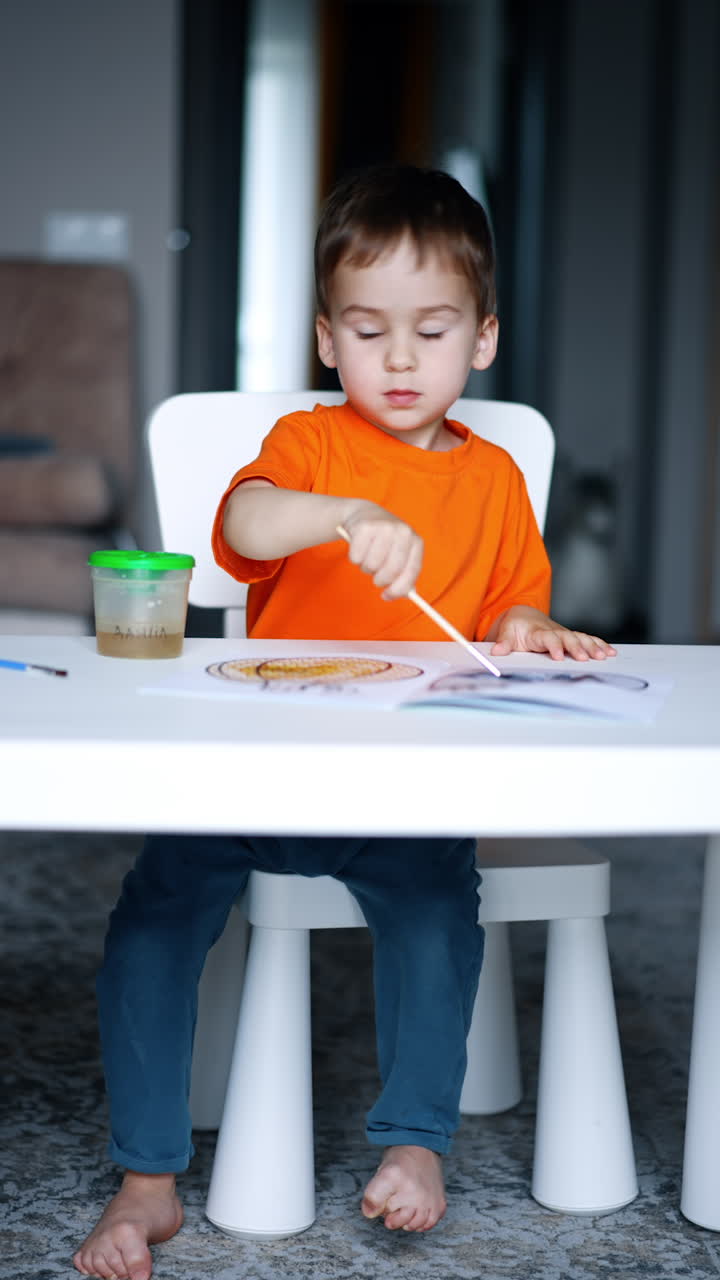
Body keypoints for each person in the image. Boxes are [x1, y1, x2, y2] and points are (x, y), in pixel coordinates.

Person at [74, 164, 616, 1280]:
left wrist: (530, 627)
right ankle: (147, 1181)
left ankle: (417, 1143)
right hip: (255, 775)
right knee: (151, 922)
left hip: (401, 786)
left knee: (437, 919)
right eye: (371, 331)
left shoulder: (498, 477)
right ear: (328, 341)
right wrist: (343, 513)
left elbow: (516, 595)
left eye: (432, 329)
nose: (402, 358)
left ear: (485, 338)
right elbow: (244, 522)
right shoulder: (312, 453)